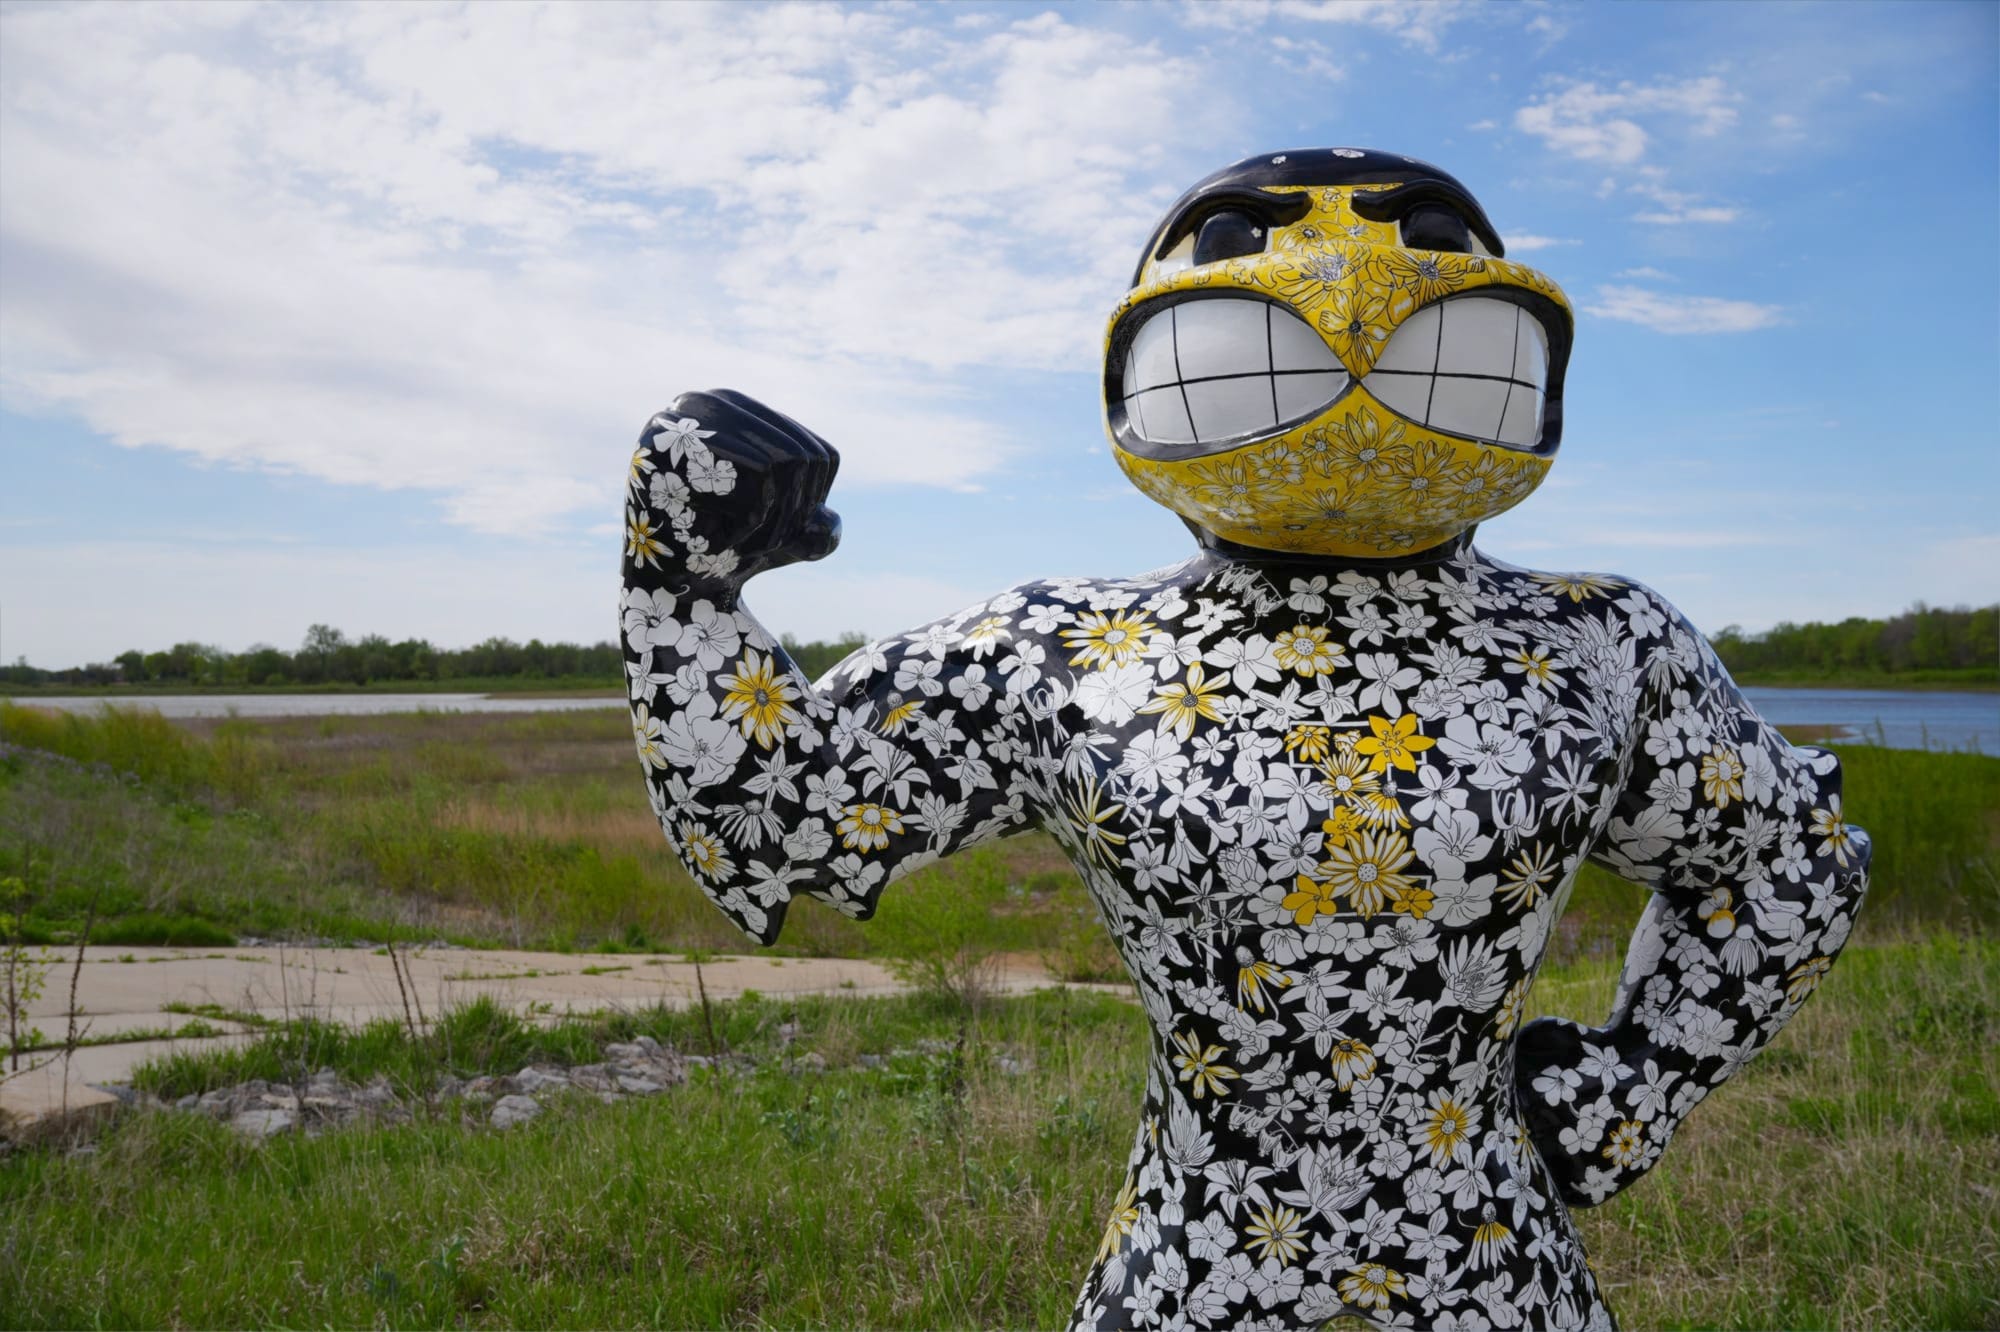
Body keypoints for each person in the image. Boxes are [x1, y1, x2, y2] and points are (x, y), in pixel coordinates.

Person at [619, 148, 1869, 1331]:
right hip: (1201, 1261)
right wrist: (679, 583)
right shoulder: (1062, 648)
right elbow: (778, 821)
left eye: (1419, 237)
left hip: (1476, 1267)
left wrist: (1630, 1092)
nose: (1350, 296)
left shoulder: (1601, 640)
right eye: (1243, 239)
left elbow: (1784, 864)